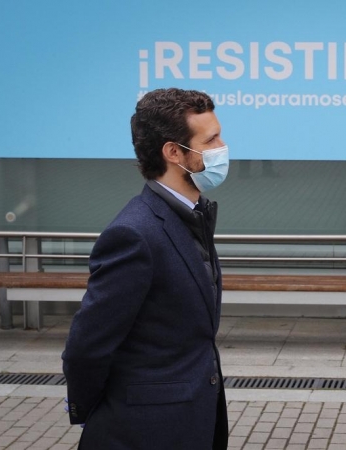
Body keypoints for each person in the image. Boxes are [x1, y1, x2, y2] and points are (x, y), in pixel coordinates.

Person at [61, 88, 230, 449]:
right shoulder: (134, 233)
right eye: (211, 139)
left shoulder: (190, 216)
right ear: (173, 152)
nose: (222, 146)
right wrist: (100, 410)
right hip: (144, 431)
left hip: (191, 422)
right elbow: (87, 347)